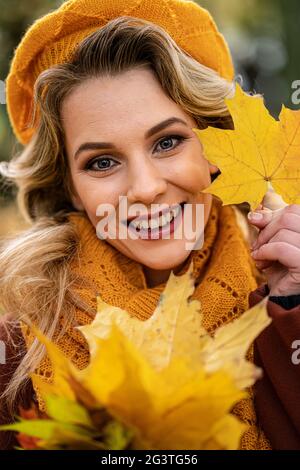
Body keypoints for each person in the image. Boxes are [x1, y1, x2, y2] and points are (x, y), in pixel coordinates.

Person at [0, 0, 300, 451]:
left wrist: (291, 310)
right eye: (101, 161)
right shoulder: (19, 354)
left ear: (216, 147)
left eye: (168, 142)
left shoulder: (287, 302)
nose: (143, 188)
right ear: (71, 188)